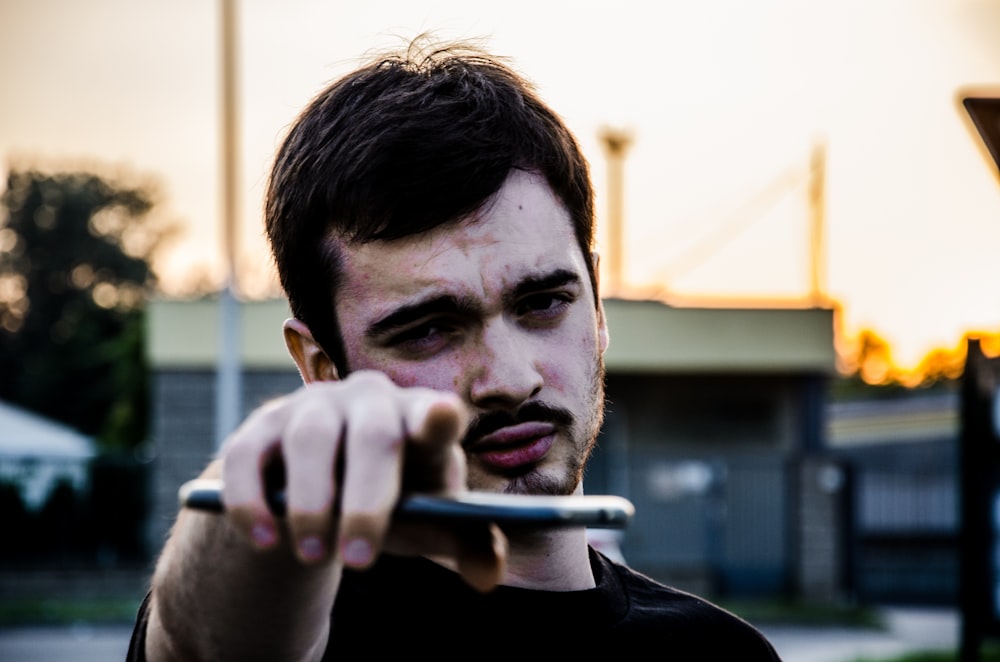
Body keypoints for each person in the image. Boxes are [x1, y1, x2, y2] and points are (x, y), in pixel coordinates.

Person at [128, 37, 782, 660]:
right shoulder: (288, 622)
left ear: (598, 305)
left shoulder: (722, 654)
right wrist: (265, 488)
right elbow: (202, 647)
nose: (508, 378)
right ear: (324, 370)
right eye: (427, 329)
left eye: (543, 303)